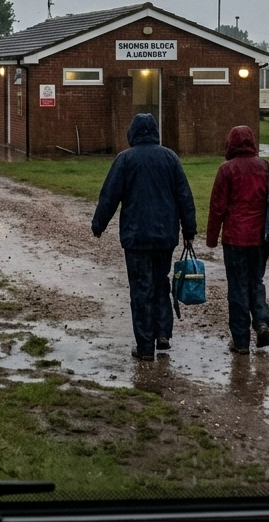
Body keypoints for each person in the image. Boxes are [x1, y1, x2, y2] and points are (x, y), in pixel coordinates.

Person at [91, 113, 197, 361]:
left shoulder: (125, 160)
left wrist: (99, 225)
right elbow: (184, 196)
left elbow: (110, 196)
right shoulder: (170, 158)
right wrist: (188, 230)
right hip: (164, 236)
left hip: (136, 236)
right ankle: (162, 333)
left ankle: (145, 345)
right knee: (161, 283)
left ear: (133, 133)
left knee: (141, 289)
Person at [206, 125, 269, 354]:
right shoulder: (267, 167)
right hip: (261, 238)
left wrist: (212, 238)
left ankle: (241, 341)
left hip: (235, 239)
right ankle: (261, 321)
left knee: (237, 288)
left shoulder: (226, 170)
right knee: (256, 281)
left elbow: (217, 207)